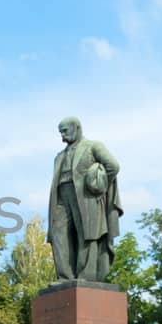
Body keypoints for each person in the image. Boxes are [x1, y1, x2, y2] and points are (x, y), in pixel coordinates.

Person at [46, 116, 122, 281]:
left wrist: (99, 186)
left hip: (86, 196)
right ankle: (65, 277)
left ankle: (86, 276)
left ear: (76, 128)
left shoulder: (93, 146)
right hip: (62, 195)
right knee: (58, 233)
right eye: (60, 133)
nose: (62, 136)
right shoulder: (59, 156)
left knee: (87, 234)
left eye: (65, 131)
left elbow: (113, 166)